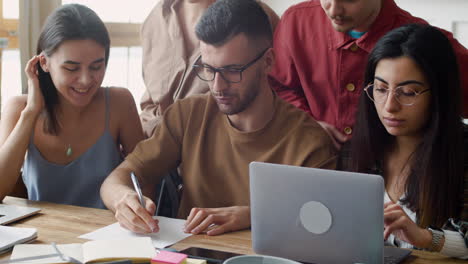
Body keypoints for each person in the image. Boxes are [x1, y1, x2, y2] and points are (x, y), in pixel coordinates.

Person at [101, 0, 335, 236]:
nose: (217, 86)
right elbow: (117, 179)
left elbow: (321, 222)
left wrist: (251, 215)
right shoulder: (187, 115)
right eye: (209, 69)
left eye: (232, 70)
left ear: (268, 62)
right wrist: (123, 199)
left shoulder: (309, 141)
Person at [268, 0, 468, 149]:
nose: (334, 10)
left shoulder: (427, 42)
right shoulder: (296, 22)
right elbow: (279, 85)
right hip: (316, 160)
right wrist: (308, 123)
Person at [341, 24, 468, 258]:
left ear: (439, 93)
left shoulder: (462, 153)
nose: (389, 106)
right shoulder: (355, 150)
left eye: (408, 92)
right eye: (380, 89)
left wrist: (425, 237)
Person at [0, 4, 144, 208]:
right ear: (44, 63)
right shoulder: (18, 109)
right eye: (71, 68)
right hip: (43, 236)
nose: (86, 80)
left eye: (96, 66)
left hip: (110, 235)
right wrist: (31, 111)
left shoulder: (120, 102)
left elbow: (145, 178)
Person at [139, 0, 279, 137]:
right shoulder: (156, 18)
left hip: (213, 149)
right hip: (149, 143)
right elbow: (149, 102)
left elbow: (277, 101)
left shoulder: (255, 18)